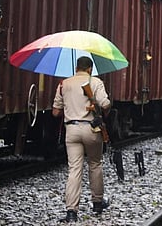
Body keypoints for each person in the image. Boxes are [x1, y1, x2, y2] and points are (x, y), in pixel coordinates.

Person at [52, 56, 110, 222]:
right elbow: (105, 105)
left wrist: (70, 108)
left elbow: (55, 112)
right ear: (90, 69)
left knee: (74, 169)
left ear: (76, 68)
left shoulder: (64, 84)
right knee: (95, 164)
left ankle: (71, 211)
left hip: (72, 129)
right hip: (91, 129)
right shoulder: (95, 82)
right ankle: (97, 203)